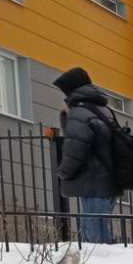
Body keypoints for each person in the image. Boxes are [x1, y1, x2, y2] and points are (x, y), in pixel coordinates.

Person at [53, 67, 122, 244]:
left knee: (94, 234)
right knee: (97, 226)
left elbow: (76, 146)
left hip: (94, 178)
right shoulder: (103, 109)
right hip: (110, 176)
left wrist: (64, 172)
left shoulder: (81, 113)